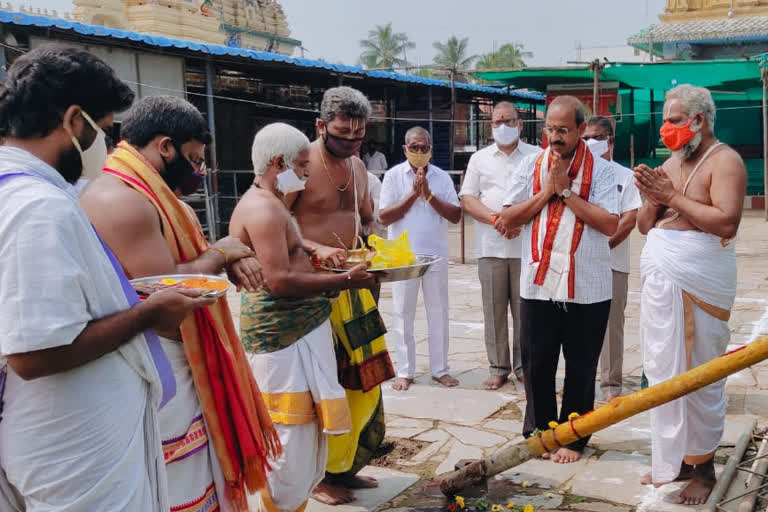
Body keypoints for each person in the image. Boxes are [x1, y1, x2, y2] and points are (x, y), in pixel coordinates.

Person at [0, 45, 215, 512]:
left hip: (77, 434)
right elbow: (31, 354)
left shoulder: (34, 193)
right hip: (72, 447)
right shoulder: (37, 208)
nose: (107, 142)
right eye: (102, 129)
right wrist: (148, 314)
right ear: (73, 120)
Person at [81, 95, 281, 512]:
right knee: (181, 490)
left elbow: (184, 264)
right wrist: (224, 252)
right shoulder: (122, 199)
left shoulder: (148, 193)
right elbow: (169, 300)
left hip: (174, 367)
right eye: (195, 159)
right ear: (165, 146)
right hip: (160, 366)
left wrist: (227, 256)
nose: (200, 171)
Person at [230, 123, 382, 511]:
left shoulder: (273, 201)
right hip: (281, 338)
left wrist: (314, 252)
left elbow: (288, 251)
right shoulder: (264, 209)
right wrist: (346, 280)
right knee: (289, 437)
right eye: (300, 165)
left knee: (305, 435)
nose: (306, 172)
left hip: (298, 331)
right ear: (278, 162)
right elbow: (278, 281)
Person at [634, 84, 745, 505]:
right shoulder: (672, 164)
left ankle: (704, 469)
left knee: (699, 377)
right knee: (664, 372)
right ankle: (676, 461)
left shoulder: (726, 161)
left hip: (699, 284)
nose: (667, 129)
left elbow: (726, 222)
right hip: (663, 284)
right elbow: (647, 226)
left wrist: (671, 197)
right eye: (665, 121)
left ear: (698, 120)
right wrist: (651, 199)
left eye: (674, 121)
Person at [286, 86, 395, 505]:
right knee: (323, 382)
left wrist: (373, 245)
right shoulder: (298, 165)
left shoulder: (359, 169)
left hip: (355, 288)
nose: (350, 142)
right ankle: (316, 476)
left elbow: (367, 219)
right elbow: (270, 219)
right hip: (312, 291)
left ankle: (345, 468)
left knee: (361, 380)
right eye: (342, 133)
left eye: (358, 135)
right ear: (320, 126)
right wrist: (316, 250)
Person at [496, 96, 618, 464]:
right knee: (536, 364)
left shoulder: (603, 170)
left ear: (581, 130)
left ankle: (575, 438)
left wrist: (566, 191)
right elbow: (507, 220)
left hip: (588, 286)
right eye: (550, 129)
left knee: (581, 367)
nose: (555, 137)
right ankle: (540, 433)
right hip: (538, 283)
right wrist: (548, 191)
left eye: (563, 130)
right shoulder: (531, 166)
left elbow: (610, 224)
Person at [459, 101, 541, 390]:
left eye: (509, 120)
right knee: (493, 310)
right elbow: (468, 198)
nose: (503, 126)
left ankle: (524, 366)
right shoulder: (480, 159)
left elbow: (545, 194)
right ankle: (497, 366)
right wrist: (499, 220)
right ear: (490, 126)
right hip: (490, 247)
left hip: (526, 247)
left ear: (520, 123)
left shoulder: (537, 156)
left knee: (526, 312)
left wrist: (519, 219)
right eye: (497, 122)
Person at [379, 126, 462, 392]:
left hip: (435, 256)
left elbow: (455, 215)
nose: (419, 152)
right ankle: (405, 371)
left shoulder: (441, 178)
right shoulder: (393, 176)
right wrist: (414, 194)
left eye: (423, 147)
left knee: (438, 312)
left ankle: (440, 369)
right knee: (403, 314)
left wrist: (428, 194)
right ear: (405, 149)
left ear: (430, 150)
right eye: (414, 147)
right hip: (403, 258)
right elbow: (384, 216)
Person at [583, 116, 643, 402]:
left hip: (613, 263)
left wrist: (604, 245)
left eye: (595, 138)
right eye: (584, 138)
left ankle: (610, 384)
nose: (589, 143)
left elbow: (630, 219)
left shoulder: (625, 176)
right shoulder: (578, 174)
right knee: (578, 325)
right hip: (581, 262)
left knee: (611, 325)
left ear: (610, 140)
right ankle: (581, 379)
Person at [367, 170, 386, 303]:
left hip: (369, 243)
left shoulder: (370, 179)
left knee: (371, 288)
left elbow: (382, 213)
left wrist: (369, 203)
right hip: (339, 247)